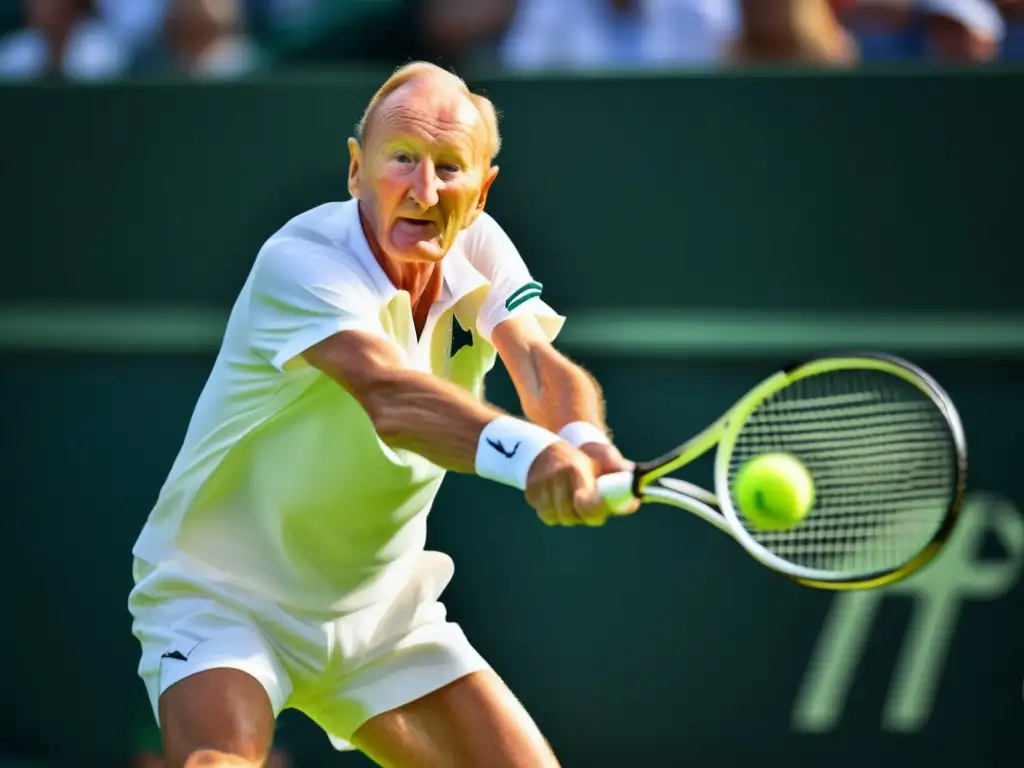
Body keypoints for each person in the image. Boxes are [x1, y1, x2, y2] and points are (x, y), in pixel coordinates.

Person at [128, 61, 639, 768]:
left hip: (381, 612)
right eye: (402, 158)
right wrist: (535, 457)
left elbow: (536, 364)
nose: (424, 190)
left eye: (450, 167)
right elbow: (392, 398)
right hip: (224, 596)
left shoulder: (480, 245)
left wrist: (584, 439)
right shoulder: (302, 260)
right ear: (355, 170)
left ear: (482, 188)